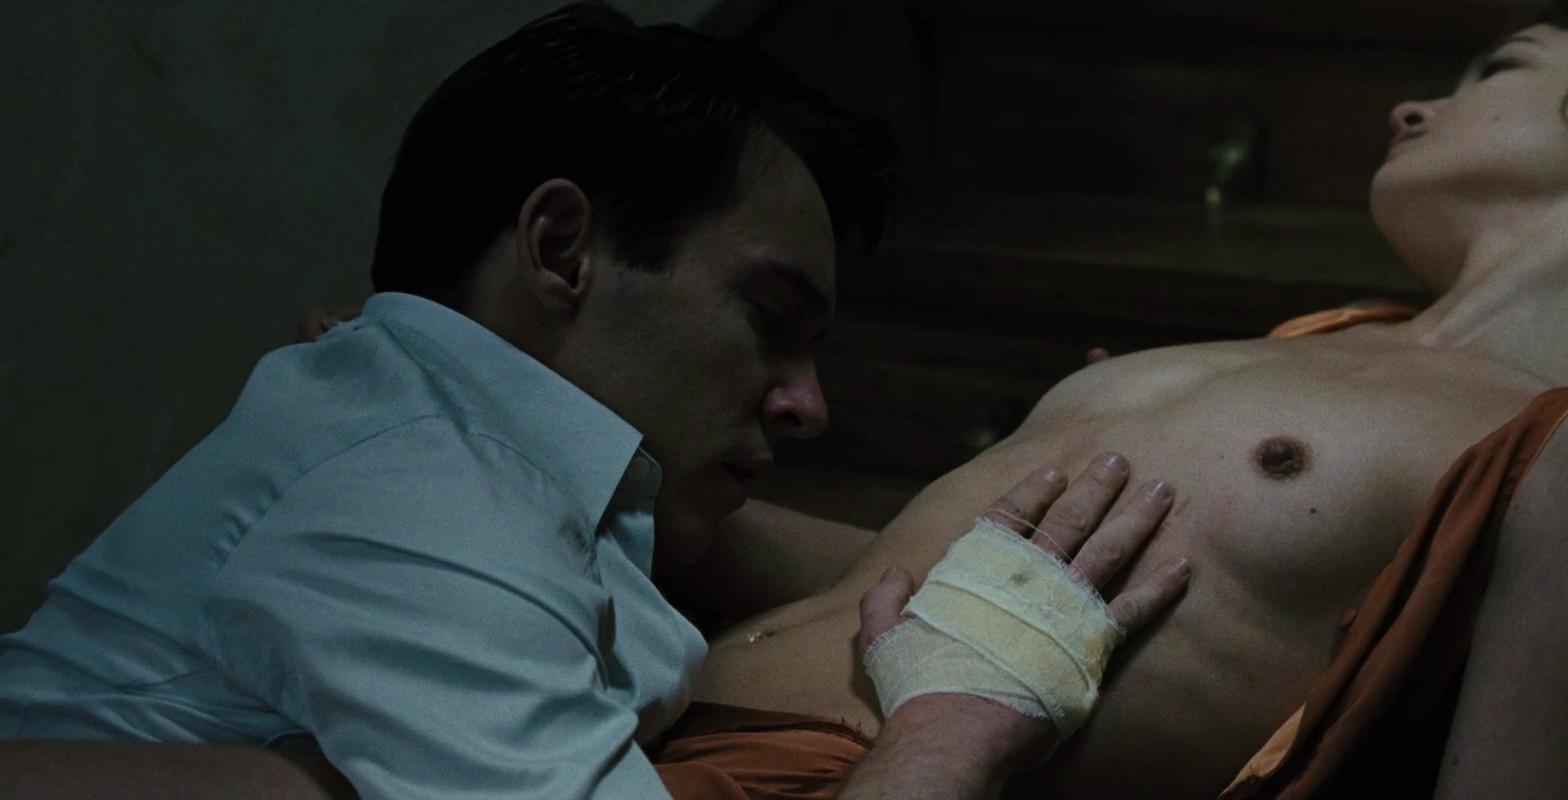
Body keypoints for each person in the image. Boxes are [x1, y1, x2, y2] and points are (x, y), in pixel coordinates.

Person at [667, 0, 1568, 797]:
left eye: (1497, 67)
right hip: (631, 712)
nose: (1411, 104)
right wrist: (640, 502)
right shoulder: (1312, 344)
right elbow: (903, 577)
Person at [0, 4, 1191, 798]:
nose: (807, 406)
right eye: (769, 318)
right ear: (564, 248)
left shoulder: (484, 447)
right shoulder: (422, 505)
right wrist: (949, 730)